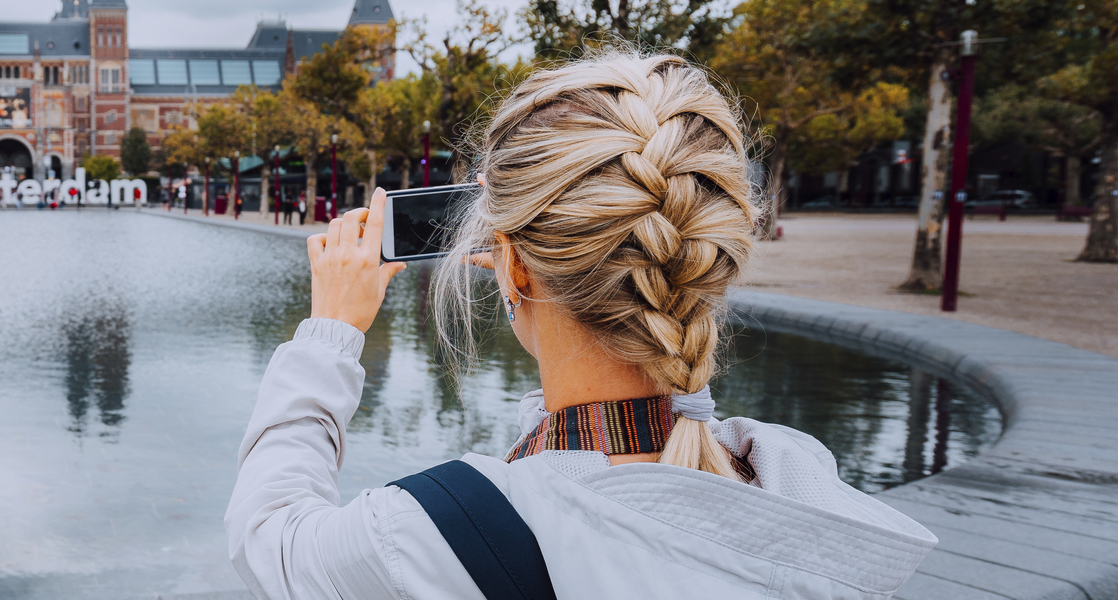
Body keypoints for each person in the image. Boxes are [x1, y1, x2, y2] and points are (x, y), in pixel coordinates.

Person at [226, 52, 935, 600]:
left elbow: (269, 540)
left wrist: (330, 332)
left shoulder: (445, 532)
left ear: (512, 263)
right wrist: (527, 253)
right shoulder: (794, 479)